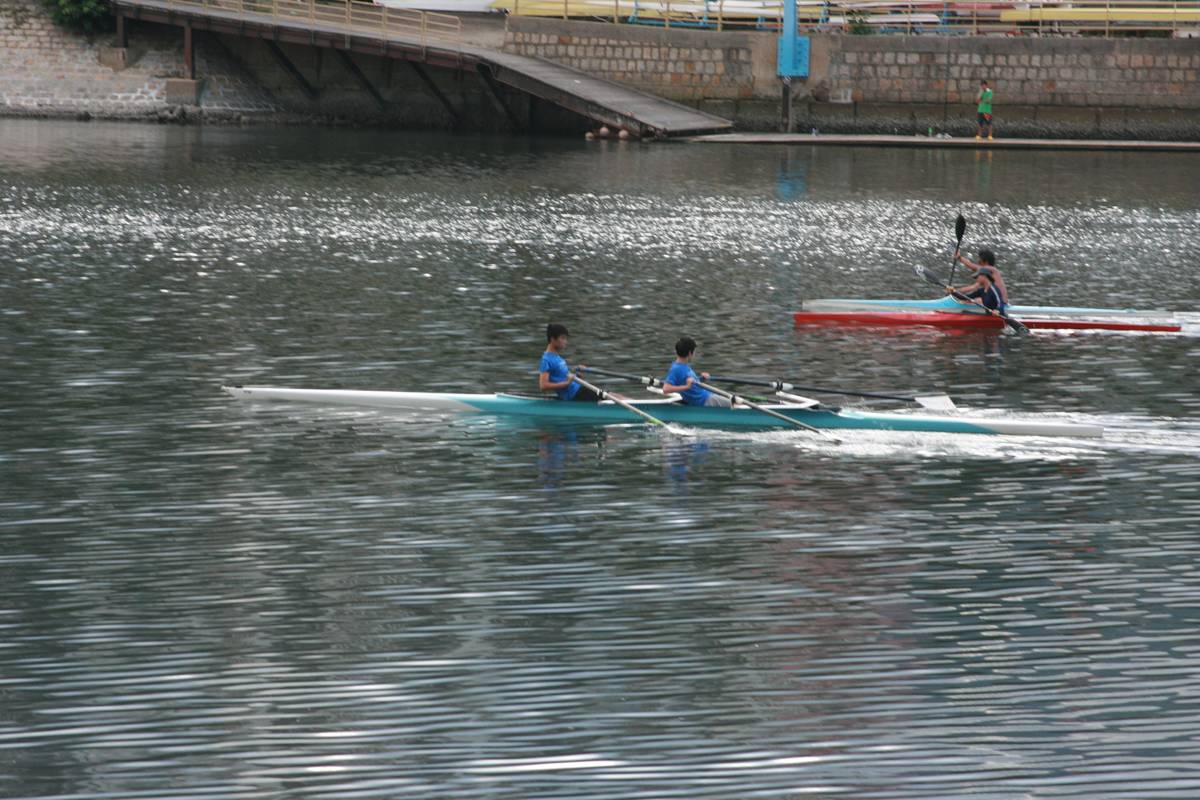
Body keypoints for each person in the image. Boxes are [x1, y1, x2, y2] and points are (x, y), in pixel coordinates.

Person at [662, 337, 731, 408]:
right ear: (690, 353)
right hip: (703, 400)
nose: (694, 354)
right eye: (694, 351)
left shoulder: (684, 365)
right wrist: (686, 387)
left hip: (706, 396)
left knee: (733, 401)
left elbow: (689, 382)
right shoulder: (676, 369)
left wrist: (701, 378)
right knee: (735, 404)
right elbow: (666, 389)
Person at [539, 323, 600, 402]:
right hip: (574, 394)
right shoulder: (546, 360)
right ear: (552, 339)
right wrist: (567, 383)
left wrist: (577, 375)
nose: (565, 342)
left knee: (611, 395)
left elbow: (564, 378)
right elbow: (543, 386)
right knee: (611, 396)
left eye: (566, 338)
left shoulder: (557, 357)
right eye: (563, 338)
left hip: (579, 390)